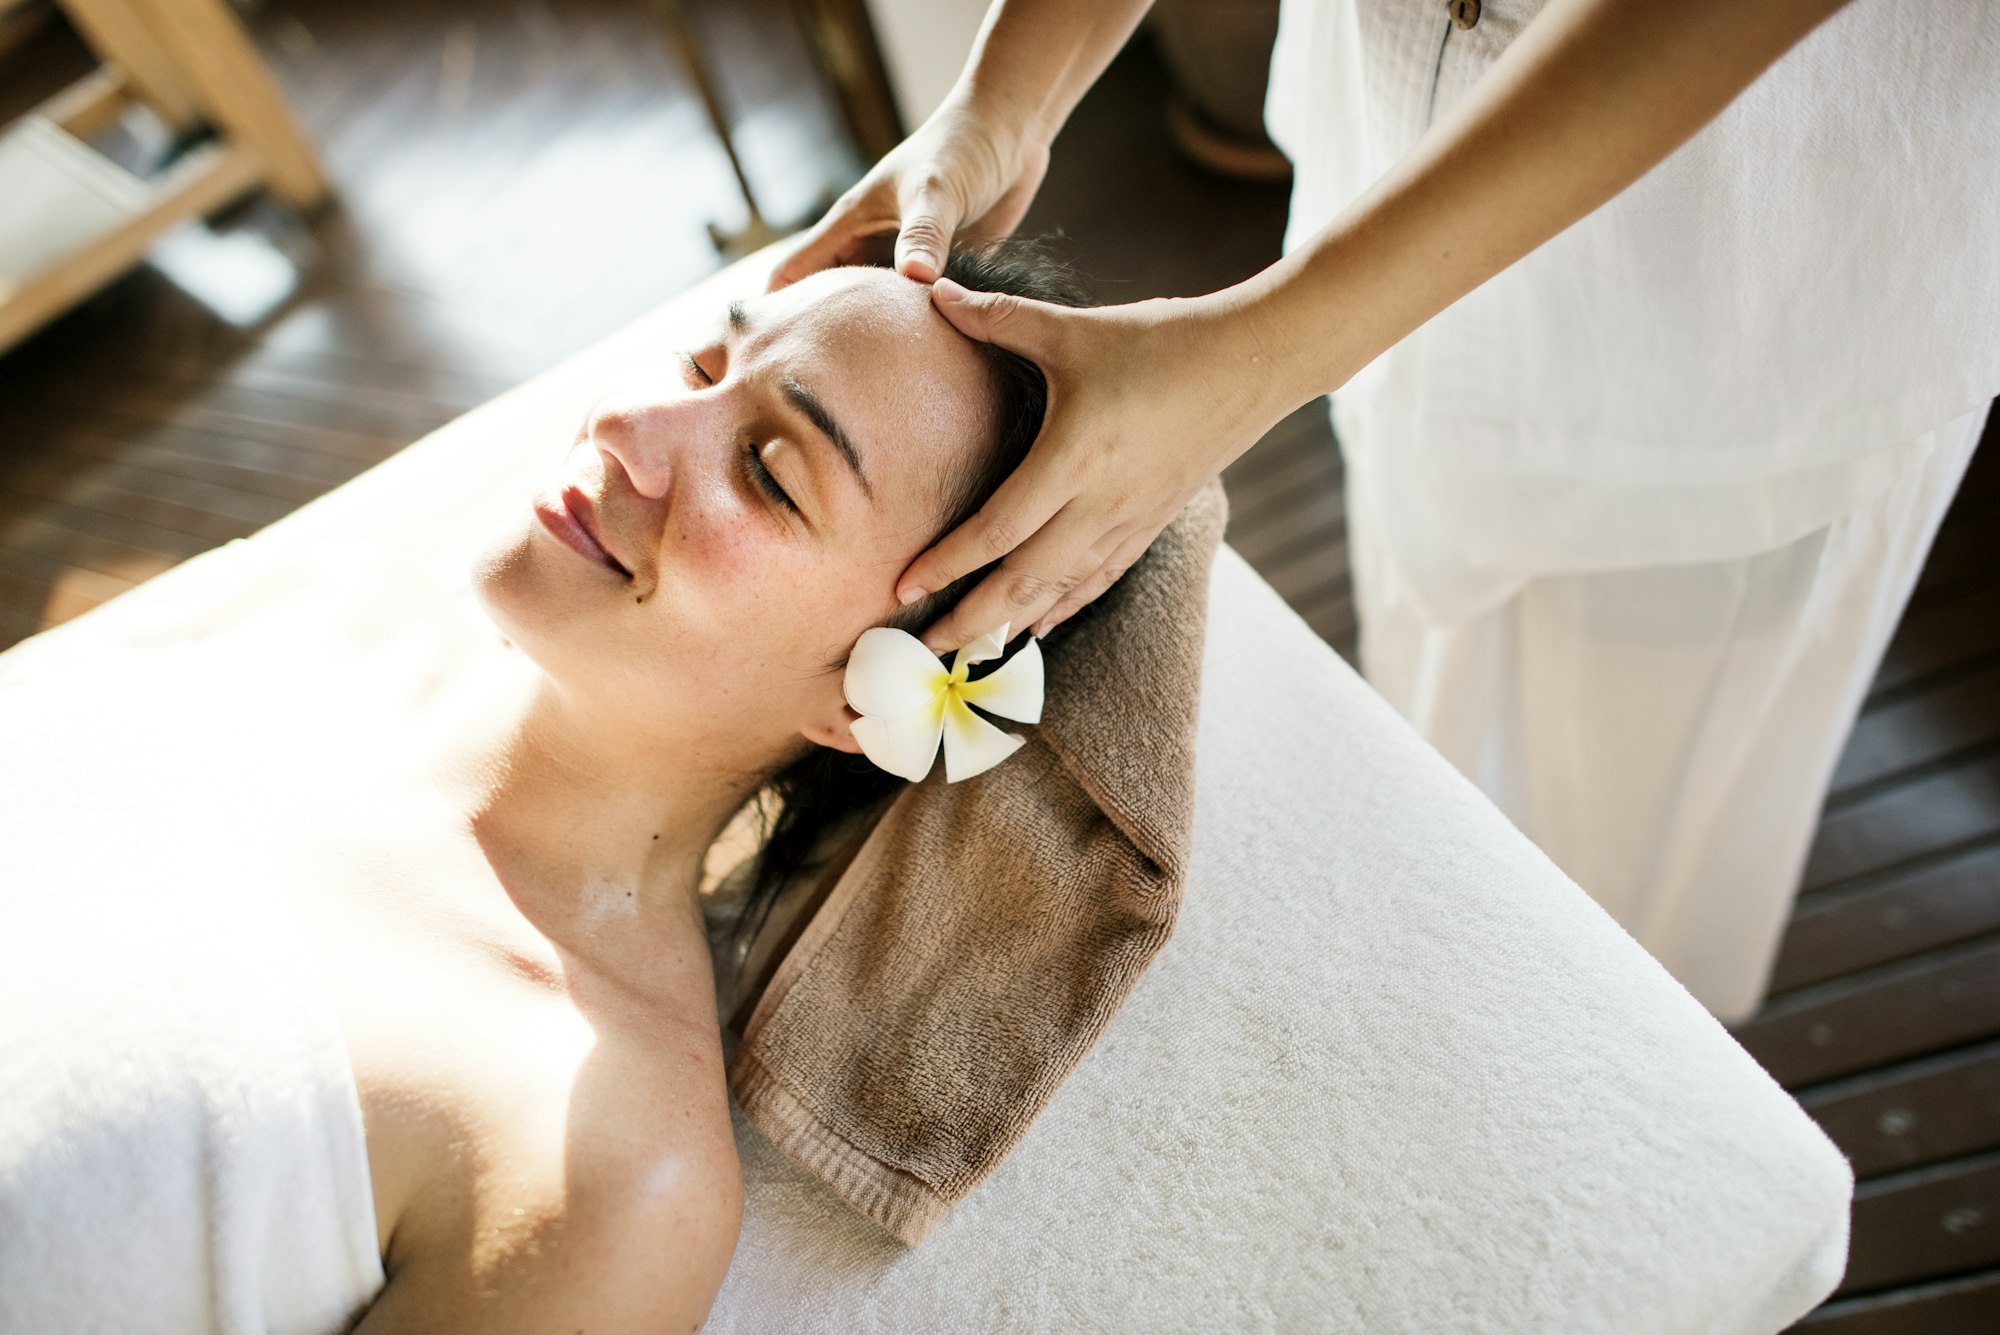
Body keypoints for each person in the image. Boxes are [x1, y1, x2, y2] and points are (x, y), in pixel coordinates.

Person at [773, 0, 2000, 1022]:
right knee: (1434, 743)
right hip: (1374, 217)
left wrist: (1265, 348)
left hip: (1734, 315)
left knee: (1622, 918)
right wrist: (1004, 98)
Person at [0, 244, 1088, 1333]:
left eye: (768, 471)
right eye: (705, 360)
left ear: (874, 700)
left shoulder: (601, 1165)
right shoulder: (317, 598)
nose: (632, 425)